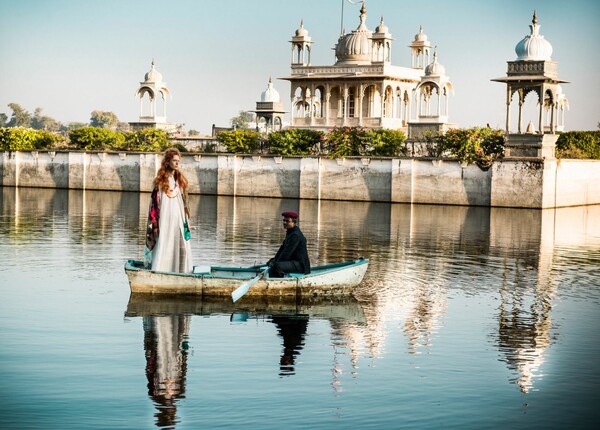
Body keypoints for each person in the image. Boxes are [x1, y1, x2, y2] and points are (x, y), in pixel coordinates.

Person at [145, 147, 193, 273]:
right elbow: (154, 206)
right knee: (165, 245)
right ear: (167, 162)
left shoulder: (180, 181)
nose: (177, 163)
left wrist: (187, 220)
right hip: (165, 220)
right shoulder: (160, 182)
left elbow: (185, 203)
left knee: (181, 246)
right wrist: (155, 225)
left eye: (178, 161)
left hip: (179, 219)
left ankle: (181, 272)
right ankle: (161, 271)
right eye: (174, 160)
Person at [267, 210, 310, 278]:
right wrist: (274, 260)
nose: (284, 222)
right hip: (294, 262)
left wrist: (275, 263)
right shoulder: (290, 232)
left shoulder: (295, 235)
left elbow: (287, 253)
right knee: (274, 263)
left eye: (287, 221)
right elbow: (282, 249)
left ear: (294, 223)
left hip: (300, 265)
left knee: (277, 266)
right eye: (284, 220)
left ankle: (276, 282)